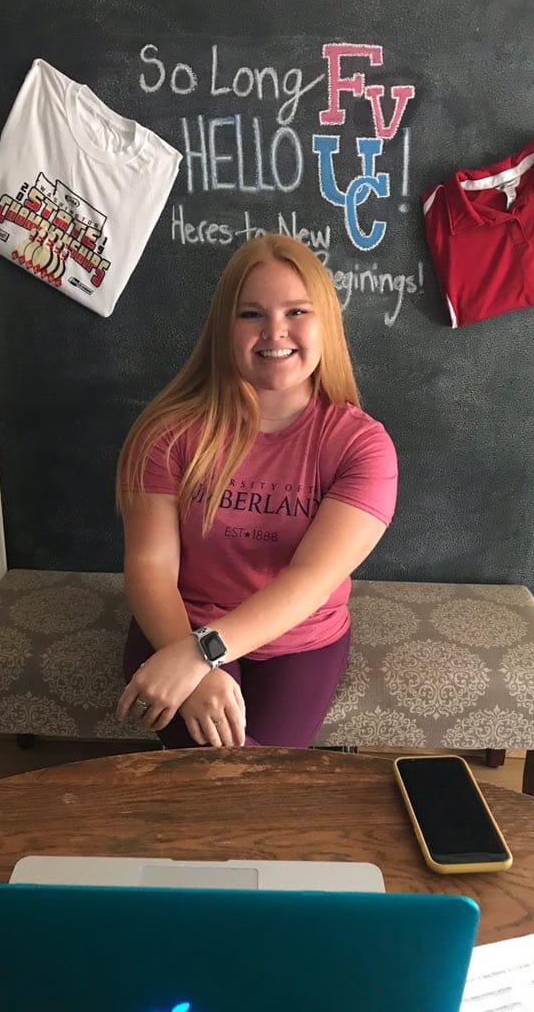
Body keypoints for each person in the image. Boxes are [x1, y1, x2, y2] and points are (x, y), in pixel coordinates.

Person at [115, 234, 397, 749]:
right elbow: (150, 567)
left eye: (297, 311)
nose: (275, 331)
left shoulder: (362, 446)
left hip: (298, 640)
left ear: (326, 324)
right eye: (250, 314)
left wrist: (199, 655)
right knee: (216, 773)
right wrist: (189, 654)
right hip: (177, 622)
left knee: (261, 777)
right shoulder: (167, 433)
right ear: (224, 327)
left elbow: (310, 580)